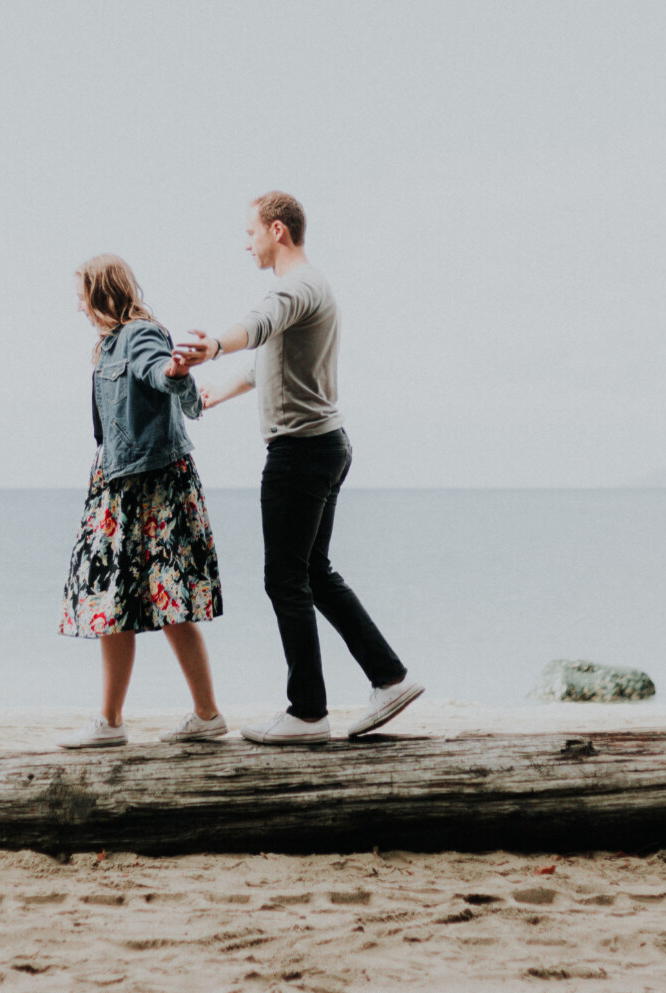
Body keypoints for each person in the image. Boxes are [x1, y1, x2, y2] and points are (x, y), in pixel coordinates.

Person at [176, 192, 423, 745]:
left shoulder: (295, 288)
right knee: (313, 572)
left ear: (277, 230)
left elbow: (257, 326)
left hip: (300, 453)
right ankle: (389, 678)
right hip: (325, 446)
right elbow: (271, 360)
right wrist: (219, 391)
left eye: (251, 231)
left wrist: (213, 344)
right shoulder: (312, 289)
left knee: (285, 579)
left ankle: (308, 713)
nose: (247, 242)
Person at [57, 254, 227, 748]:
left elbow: (160, 373)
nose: (80, 307)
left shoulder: (139, 334)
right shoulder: (106, 345)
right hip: (119, 483)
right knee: (120, 602)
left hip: (149, 486)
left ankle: (191, 717)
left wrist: (176, 371)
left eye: (82, 296)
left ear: (99, 292)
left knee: (164, 601)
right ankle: (123, 720)